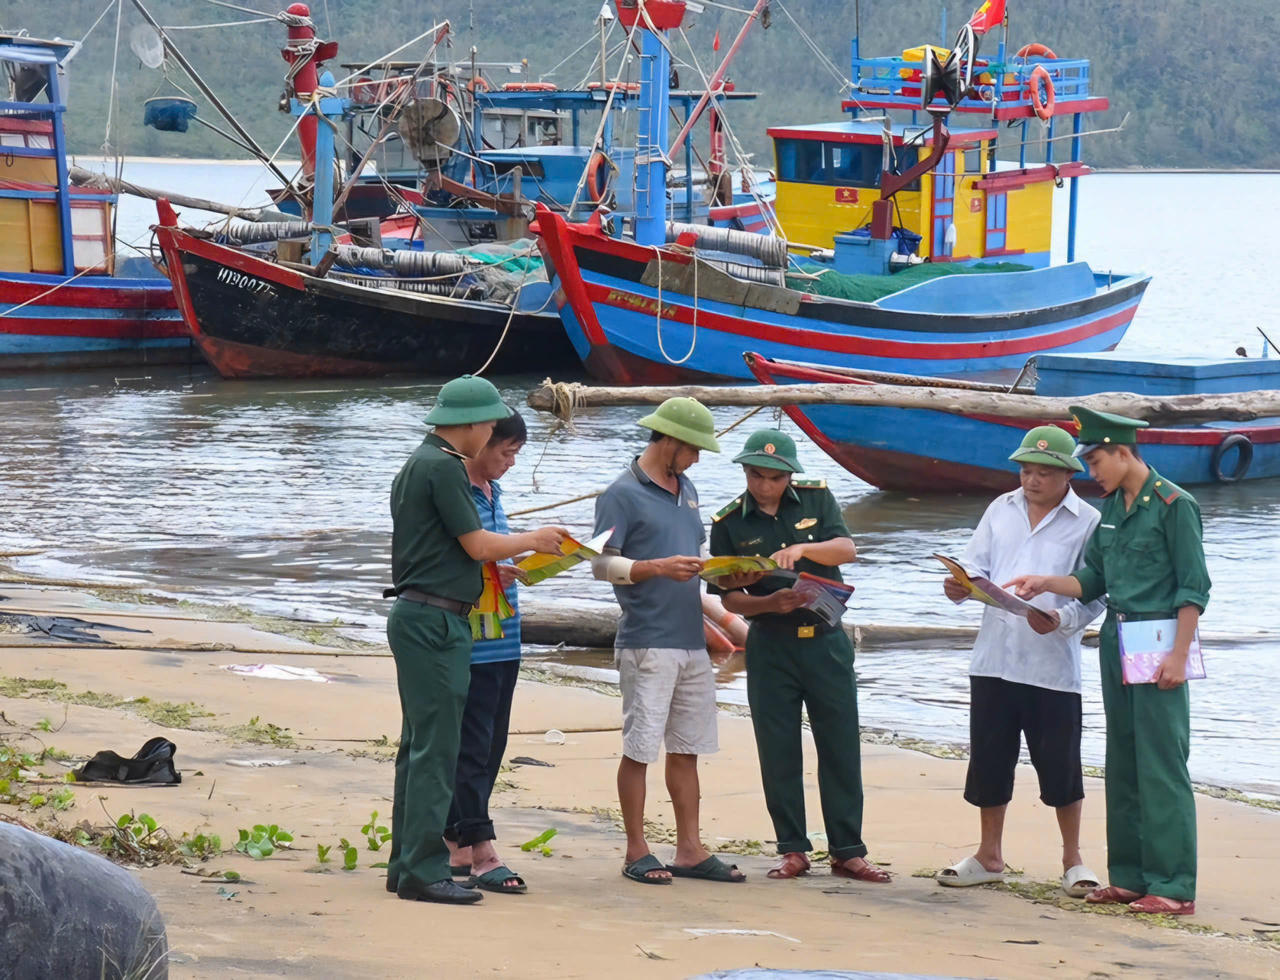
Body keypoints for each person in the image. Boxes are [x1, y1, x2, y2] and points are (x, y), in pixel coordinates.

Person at [1007, 407, 1211, 916]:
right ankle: (1129, 876)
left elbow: (1193, 589)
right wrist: (1045, 581)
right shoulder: (1113, 508)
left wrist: (1179, 656)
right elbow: (1092, 579)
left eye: (1096, 461)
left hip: (1159, 635)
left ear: (1123, 452)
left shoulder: (1174, 505)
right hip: (1118, 636)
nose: (1091, 472)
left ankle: (1173, 885)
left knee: (1161, 762)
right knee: (1123, 759)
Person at [384, 375, 567, 906]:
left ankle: (406, 864)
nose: (489, 436)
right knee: (437, 751)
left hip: (422, 612)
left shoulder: (419, 463)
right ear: (470, 424)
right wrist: (535, 539)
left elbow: (448, 548)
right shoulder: (444, 466)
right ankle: (424, 869)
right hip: (436, 620)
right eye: (489, 426)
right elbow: (477, 544)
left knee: (418, 747)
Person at [708, 428, 888, 884]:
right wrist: (768, 602)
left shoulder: (816, 498)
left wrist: (803, 550)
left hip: (825, 640)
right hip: (771, 643)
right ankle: (792, 848)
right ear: (745, 472)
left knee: (840, 745)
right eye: (755, 475)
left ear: (790, 476)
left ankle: (848, 850)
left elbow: (846, 548)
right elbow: (728, 596)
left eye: (774, 477)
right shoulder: (728, 522)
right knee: (778, 748)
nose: (764, 486)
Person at [934, 425, 1105, 898]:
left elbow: (1097, 592)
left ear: (1067, 474)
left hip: (1052, 665)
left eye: (1042, 473)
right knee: (990, 760)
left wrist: (1063, 618)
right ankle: (989, 855)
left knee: (1061, 765)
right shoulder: (1000, 508)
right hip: (993, 658)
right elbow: (976, 566)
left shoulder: (1088, 521)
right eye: (1026, 471)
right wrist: (960, 587)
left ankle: (1073, 859)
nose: (1031, 480)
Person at [591, 397, 745, 885]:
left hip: (690, 642)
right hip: (647, 640)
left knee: (687, 746)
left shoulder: (688, 489)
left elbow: (696, 558)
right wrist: (655, 568)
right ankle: (636, 849)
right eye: (694, 449)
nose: (697, 459)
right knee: (640, 746)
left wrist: (728, 581)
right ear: (671, 441)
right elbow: (600, 564)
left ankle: (690, 849)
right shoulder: (620, 493)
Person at [442, 410, 531, 895]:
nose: (510, 463)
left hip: (506, 632)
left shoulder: (494, 491)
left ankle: (456, 835)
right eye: (506, 452)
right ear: (481, 440)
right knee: (472, 744)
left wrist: (522, 561)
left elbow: (491, 553)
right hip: (473, 636)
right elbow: (463, 554)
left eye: (516, 455)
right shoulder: (457, 490)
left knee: (492, 743)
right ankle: (481, 849)